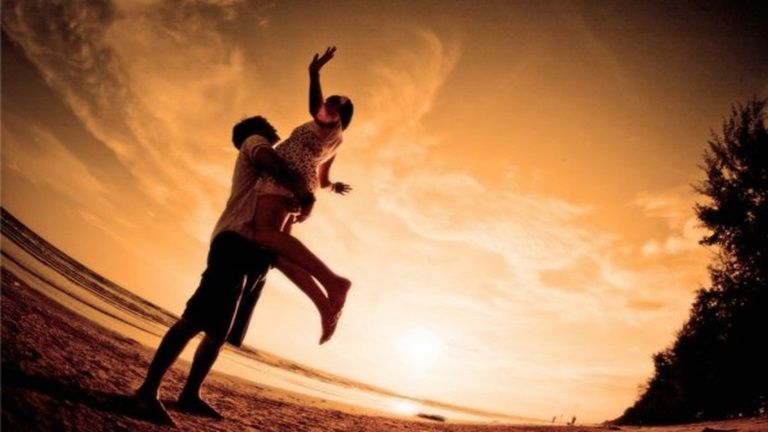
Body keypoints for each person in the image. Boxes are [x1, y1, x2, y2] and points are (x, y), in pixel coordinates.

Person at [132, 116, 314, 425]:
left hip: (254, 252)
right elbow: (270, 161)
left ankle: (190, 393)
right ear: (257, 130)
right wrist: (303, 191)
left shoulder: (271, 174)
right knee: (194, 319)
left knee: (219, 331)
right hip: (234, 242)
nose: (275, 129)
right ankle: (146, 392)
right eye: (269, 126)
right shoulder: (254, 142)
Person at [244, 46, 354, 345]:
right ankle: (325, 307)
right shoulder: (333, 139)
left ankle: (334, 282)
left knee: (263, 233)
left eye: (333, 102)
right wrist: (332, 187)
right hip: (301, 182)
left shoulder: (330, 123)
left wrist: (314, 74)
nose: (327, 104)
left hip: (287, 177)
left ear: (340, 113)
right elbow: (323, 176)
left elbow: (314, 107)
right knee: (278, 254)